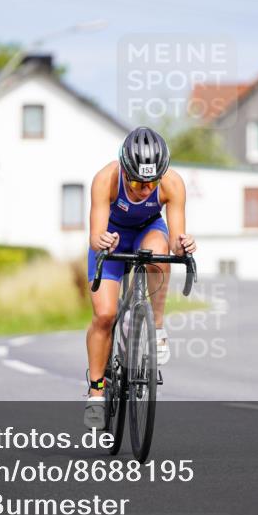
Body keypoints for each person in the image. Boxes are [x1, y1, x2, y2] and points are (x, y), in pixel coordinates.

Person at [84, 127, 196, 429]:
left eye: (151, 182)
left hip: (148, 230)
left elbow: (174, 241)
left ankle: (156, 327)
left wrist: (183, 245)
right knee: (105, 315)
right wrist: (102, 242)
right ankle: (96, 390)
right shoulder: (105, 179)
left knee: (159, 257)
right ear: (124, 169)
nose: (145, 190)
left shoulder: (172, 183)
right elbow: (96, 235)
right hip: (112, 236)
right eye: (136, 182)